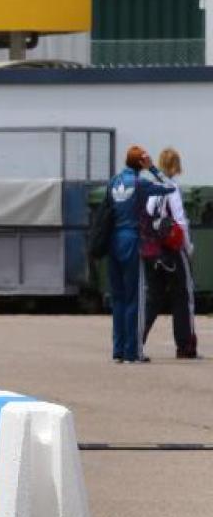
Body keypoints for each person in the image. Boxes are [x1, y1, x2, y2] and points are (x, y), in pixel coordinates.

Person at [105, 145, 174, 364]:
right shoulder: (140, 183)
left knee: (118, 298)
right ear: (141, 163)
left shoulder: (113, 181)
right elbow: (169, 187)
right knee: (134, 296)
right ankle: (133, 351)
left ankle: (117, 350)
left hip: (113, 241)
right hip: (132, 240)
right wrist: (153, 168)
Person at [143, 147, 199, 359]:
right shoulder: (172, 188)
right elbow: (180, 220)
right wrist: (188, 247)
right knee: (183, 295)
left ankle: (136, 341)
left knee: (153, 297)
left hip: (152, 249)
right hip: (172, 249)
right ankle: (185, 345)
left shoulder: (152, 188)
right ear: (176, 165)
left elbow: (147, 214)